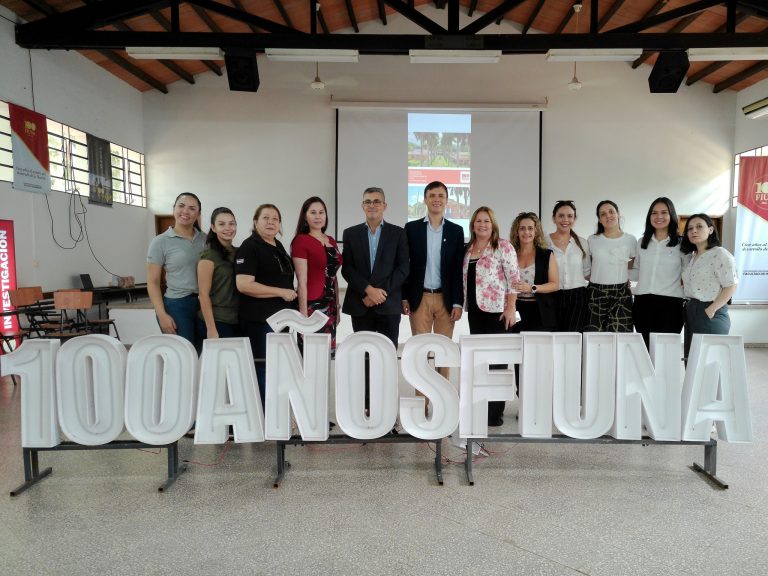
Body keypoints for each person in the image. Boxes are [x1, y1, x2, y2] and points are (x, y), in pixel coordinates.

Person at [341, 187, 409, 415]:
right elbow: (347, 269)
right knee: (364, 358)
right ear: (362, 206)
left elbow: (403, 268)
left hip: (388, 306)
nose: (372, 205)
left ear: (384, 206)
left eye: (377, 201)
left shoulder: (398, 233)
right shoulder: (350, 234)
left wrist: (380, 293)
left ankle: (386, 405)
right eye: (368, 201)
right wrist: (368, 290)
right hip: (360, 305)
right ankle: (367, 406)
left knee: (387, 357)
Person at [402, 181, 464, 384]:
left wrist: (457, 302)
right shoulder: (411, 229)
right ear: (425, 199)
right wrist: (404, 296)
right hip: (420, 299)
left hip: (446, 300)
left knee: (443, 353)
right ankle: (422, 403)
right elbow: (405, 265)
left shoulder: (456, 231)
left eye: (441, 196)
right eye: (432, 195)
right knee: (420, 353)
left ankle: (442, 404)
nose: (436, 199)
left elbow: (457, 269)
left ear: (446, 201)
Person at [462, 206, 519, 427]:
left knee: (496, 362)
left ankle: (494, 413)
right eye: (478, 221)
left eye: (486, 221)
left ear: (493, 224)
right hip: (475, 311)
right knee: (480, 362)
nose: (482, 225)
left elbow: (514, 279)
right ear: (473, 225)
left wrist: (511, 307)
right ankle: (481, 407)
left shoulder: (503, 246)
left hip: (498, 312)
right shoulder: (469, 249)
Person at [235, 204, 297, 404]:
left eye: (275, 219)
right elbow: (244, 285)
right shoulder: (250, 246)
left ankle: (273, 411)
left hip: (280, 319)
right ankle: (262, 413)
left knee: (277, 366)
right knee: (262, 367)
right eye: (266, 218)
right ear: (255, 222)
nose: (271, 222)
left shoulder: (277, 245)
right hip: (260, 320)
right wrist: (281, 292)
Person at [147, 192, 206, 351]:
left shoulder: (206, 240)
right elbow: (152, 282)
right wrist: (161, 315)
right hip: (177, 305)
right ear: (174, 209)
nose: (185, 211)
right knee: (183, 355)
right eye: (181, 206)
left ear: (198, 214)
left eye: (192, 208)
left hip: (204, 304)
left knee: (204, 354)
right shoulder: (160, 241)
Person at [680, 213, 738, 360]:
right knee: (692, 361)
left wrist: (711, 309)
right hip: (691, 311)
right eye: (690, 228)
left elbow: (731, 285)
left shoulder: (720, 254)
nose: (694, 231)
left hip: (711, 311)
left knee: (710, 364)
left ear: (711, 230)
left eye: (699, 226)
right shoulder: (691, 257)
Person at [291, 196, 342, 356]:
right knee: (311, 355)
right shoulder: (301, 241)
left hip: (331, 305)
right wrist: (303, 313)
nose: (318, 216)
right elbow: (302, 280)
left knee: (326, 355)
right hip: (313, 306)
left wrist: (337, 307)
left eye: (321, 212)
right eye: (313, 212)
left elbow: (333, 276)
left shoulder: (331, 240)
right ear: (305, 216)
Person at [631, 197, 685, 349]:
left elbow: (688, 273)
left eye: (664, 212)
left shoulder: (682, 243)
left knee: (665, 352)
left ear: (671, 215)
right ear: (649, 217)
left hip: (671, 304)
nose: (658, 217)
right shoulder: (642, 242)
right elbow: (636, 272)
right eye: (654, 213)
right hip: (643, 303)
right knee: (645, 351)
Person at [585, 200, 637, 333]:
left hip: (621, 294)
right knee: (594, 338)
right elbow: (586, 270)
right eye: (603, 214)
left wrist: (624, 280)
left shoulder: (630, 240)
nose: (608, 216)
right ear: (599, 220)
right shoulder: (592, 240)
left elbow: (632, 267)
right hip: (595, 293)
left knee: (621, 337)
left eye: (611, 212)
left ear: (618, 214)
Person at [510, 212, 559, 332]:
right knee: (517, 346)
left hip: (540, 311)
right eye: (522, 228)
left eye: (530, 228)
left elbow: (555, 284)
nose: (526, 232)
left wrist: (532, 288)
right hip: (516, 309)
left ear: (536, 231)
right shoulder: (509, 254)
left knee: (538, 349)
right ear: (516, 232)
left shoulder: (546, 254)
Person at [197, 207, 240, 340]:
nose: (228, 228)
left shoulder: (239, 252)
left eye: (231, 223)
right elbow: (203, 295)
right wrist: (211, 329)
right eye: (221, 224)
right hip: (218, 321)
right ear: (213, 228)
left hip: (238, 318)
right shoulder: (208, 257)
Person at [548, 200, 590, 332]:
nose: (565, 219)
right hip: (551, 296)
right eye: (561, 216)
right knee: (553, 338)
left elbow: (587, 272)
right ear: (554, 218)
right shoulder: (543, 242)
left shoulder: (583, 243)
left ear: (574, 219)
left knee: (574, 339)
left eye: (570, 216)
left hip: (578, 297)